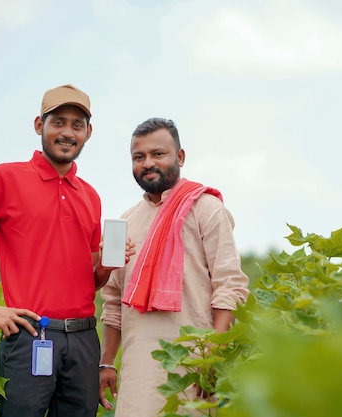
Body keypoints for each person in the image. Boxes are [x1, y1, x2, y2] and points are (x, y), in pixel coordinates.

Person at [0, 84, 134, 417]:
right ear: (40, 125)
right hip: (29, 337)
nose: (67, 132)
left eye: (77, 125)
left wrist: (109, 266)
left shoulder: (90, 196)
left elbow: (89, 281)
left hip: (83, 341)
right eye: (59, 122)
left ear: (88, 133)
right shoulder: (6, 178)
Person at [98, 117, 250, 416]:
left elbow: (229, 286)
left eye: (158, 154)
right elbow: (113, 302)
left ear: (180, 157)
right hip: (137, 374)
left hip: (193, 367)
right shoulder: (126, 221)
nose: (147, 163)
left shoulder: (207, 209)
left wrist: (213, 359)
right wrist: (106, 362)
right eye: (138, 157)